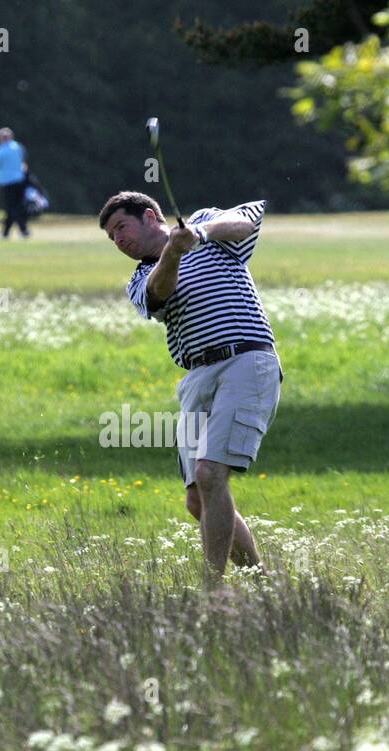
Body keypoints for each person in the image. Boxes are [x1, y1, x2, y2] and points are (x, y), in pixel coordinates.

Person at [99, 190, 282, 589]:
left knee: (210, 472)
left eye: (120, 228)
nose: (118, 241)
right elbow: (159, 293)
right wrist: (174, 253)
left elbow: (246, 223)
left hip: (246, 360)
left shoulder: (207, 224)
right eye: (111, 237)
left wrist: (197, 233)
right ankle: (266, 587)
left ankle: (211, 594)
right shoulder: (138, 279)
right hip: (197, 376)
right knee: (198, 499)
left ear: (149, 216)